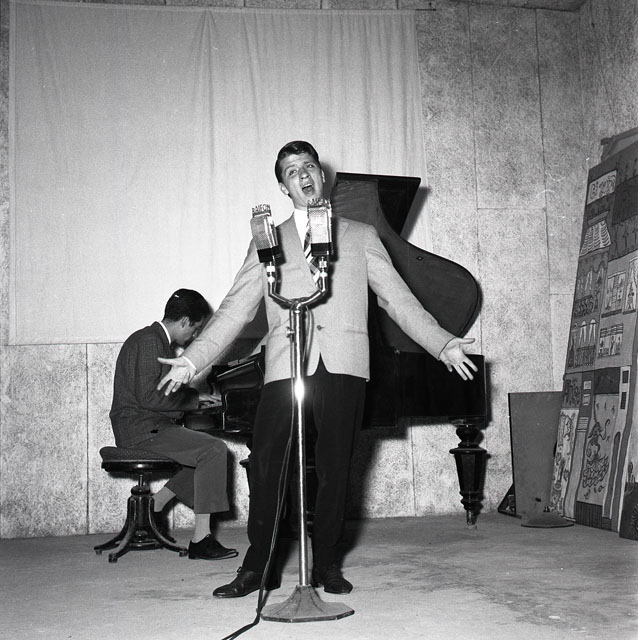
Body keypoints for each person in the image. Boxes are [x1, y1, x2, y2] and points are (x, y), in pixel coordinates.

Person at [157, 141, 477, 596]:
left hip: (344, 364)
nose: (303, 175)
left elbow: (399, 299)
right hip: (285, 365)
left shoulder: (360, 235)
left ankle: (327, 563)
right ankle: (259, 567)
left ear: (321, 176)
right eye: (292, 171)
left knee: (335, 468)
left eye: (308, 166)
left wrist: (441, 343)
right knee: (267, 465)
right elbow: (235, 309)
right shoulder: (268, 240)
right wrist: (193, 359)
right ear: (284, 187)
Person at [110, 288, 238, 561]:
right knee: (213, 450)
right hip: (142, 429)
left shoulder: (152, 339)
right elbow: (149, 397)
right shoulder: (150, 341)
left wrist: (195, 398)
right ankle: (201, 539)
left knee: (203, 458)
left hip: (146, 426)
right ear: (185, 321)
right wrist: (192, 400)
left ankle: (156, 505)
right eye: (195, 329)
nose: (193, 336)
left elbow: (156, 393)